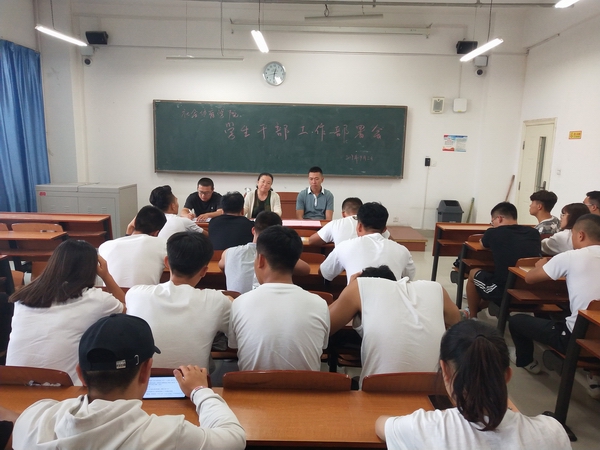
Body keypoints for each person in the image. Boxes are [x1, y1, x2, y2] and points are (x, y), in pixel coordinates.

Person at [12, 314, 246, 449]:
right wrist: (199, 390)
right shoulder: (168, 435)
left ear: (81, 374)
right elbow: (234, 437)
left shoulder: (34, 419)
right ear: (146, 371)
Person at [376, 320, 570, 449]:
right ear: (507, 375)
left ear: (444, 370)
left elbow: (381, 425)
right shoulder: (552, 433)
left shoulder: (424, 427)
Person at [6, 240, 124, 385]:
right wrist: (106, 275)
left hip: (12, 383)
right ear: (91, 268)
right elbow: (127, 309)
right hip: (63, 388)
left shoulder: (24, 297)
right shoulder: (96, 299)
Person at [510, 214, 600, 397]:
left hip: (577, 340)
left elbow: (530, 278)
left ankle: (525, 360)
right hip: (595, 334)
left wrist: (540, 265)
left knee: (517, 321)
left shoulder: (570, 257)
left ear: (580, 235)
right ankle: (595, 376)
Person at [329, 265, 461, 386]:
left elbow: (324, 325)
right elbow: (457, 325)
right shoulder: (436, 289)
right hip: (434, 392)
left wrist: (348, 290)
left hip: (378, 392)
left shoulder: (358, 286)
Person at [228, 226, 330, 371]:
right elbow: (322, 347)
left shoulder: (239, 303)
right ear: (295, 262)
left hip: (253, 385)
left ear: (261, 260)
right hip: (305, 385)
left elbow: (235, 346)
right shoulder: (320, 304)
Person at [126, 232, 232, 370]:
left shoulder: (135, 294)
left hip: (145, 381)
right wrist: (232, 302)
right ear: (204, 270)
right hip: (194, 381)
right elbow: (235, 338)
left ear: (166, 262)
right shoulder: (218, 301)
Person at [464, 202, 540, 318]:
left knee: (473, 273)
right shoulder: (533, 233)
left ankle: (472, 317)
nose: (493, 224)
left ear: (499, 218)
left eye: (492, 221)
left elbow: (482, 245)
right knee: (495, 277)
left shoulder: (492, 232)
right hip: (533, 292)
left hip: (505, 293)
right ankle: (475, 309)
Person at [320, 202, 415, 284]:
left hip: (356, 298)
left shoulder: (344, 247)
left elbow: (325, 273)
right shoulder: (403, 251)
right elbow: (409, 279)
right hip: (391, 298)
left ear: (359, 227)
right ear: (384, 229)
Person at [218, 211, 309, 294]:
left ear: (253, 230)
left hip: (235, 303)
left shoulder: (228, 253)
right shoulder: (280, 255)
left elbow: (222, 266)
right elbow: (305, 269)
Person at [98, 205, 167, 287]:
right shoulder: (162, 244)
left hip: (110, 295)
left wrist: (128, 231)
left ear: (134, 223)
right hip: (141, 295)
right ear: (156, 233)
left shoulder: (105, 246)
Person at [308, 197, 390, 246]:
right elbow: (391, 241)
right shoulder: (374, 224)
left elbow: (311, 241)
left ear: (343, 214)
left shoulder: (335, 224)